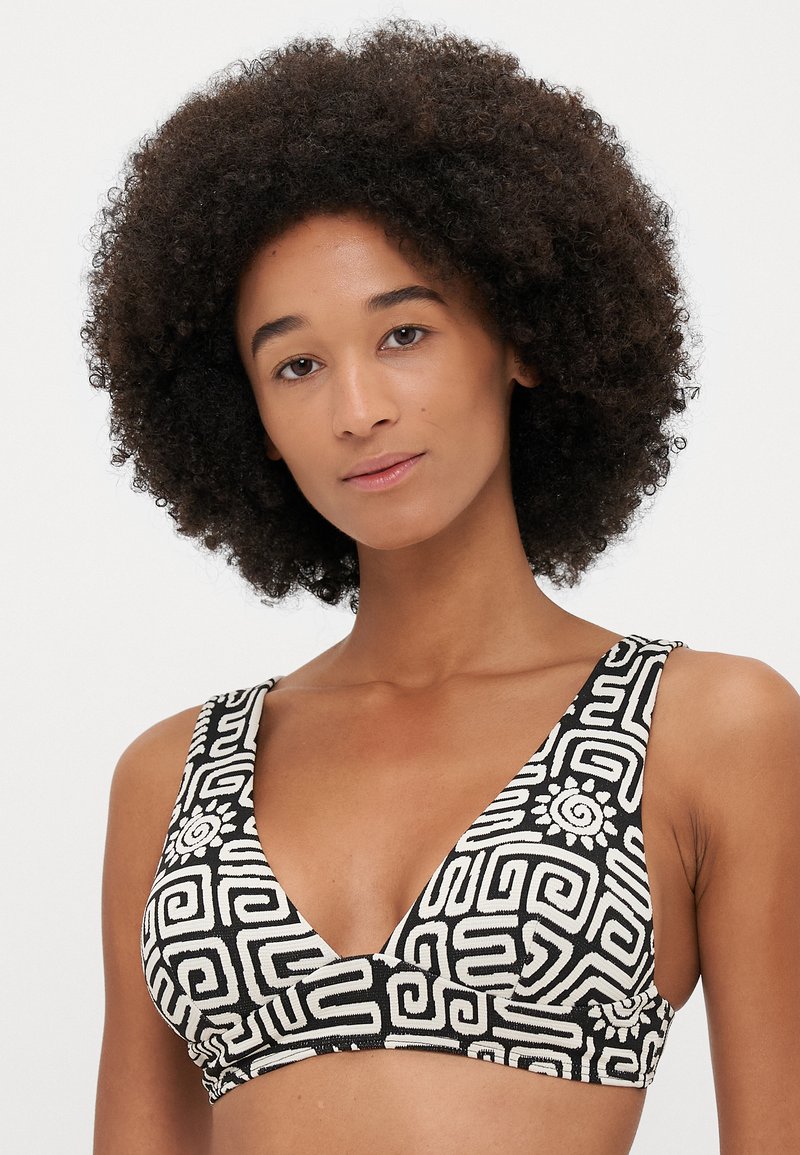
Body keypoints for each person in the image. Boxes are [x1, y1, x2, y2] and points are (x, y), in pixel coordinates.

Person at [83, 18, 800, 1155]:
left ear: (521, 339)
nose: (357, 409)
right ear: (247, 418)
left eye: (404, 333)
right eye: (296, 364)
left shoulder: (708, 727)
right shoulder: (169, 777)